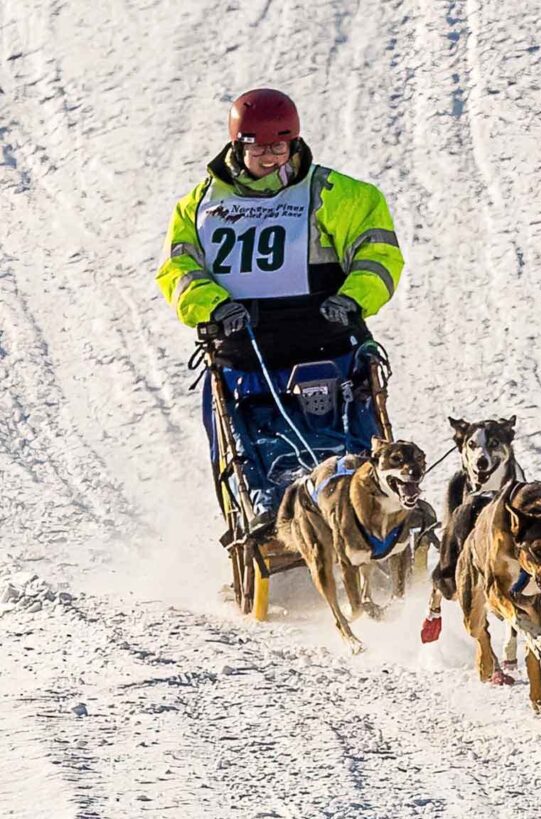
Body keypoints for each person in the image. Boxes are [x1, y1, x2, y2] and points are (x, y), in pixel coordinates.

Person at [156, 88, 404, 531]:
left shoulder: (337, 195)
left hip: (326, 337)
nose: (270, 157)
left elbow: (378, 255)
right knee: (248, 437)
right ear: (238, 145)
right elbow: (178, 270)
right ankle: (265, 508)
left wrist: (352, 298)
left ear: (294, 142)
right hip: (243, 348)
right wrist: (214, 307)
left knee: (351, 425)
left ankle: (367, 500)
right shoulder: (200, 207)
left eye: (279, 146)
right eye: (259, 147)